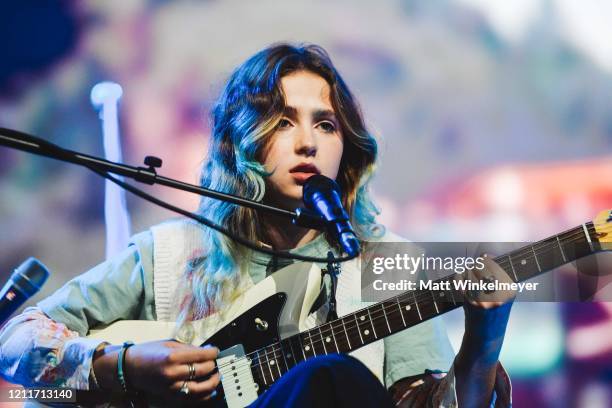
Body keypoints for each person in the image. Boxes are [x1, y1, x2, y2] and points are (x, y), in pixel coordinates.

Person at [0, 43, 512, 407]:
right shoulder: (170, 254)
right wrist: (127, 364)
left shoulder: (385, 264)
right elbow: (16, 341)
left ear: (347, 152)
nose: (308, 141)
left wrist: (486, 334)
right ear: (240, 141)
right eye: (284, 121)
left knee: (329, 379)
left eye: (326, 124)